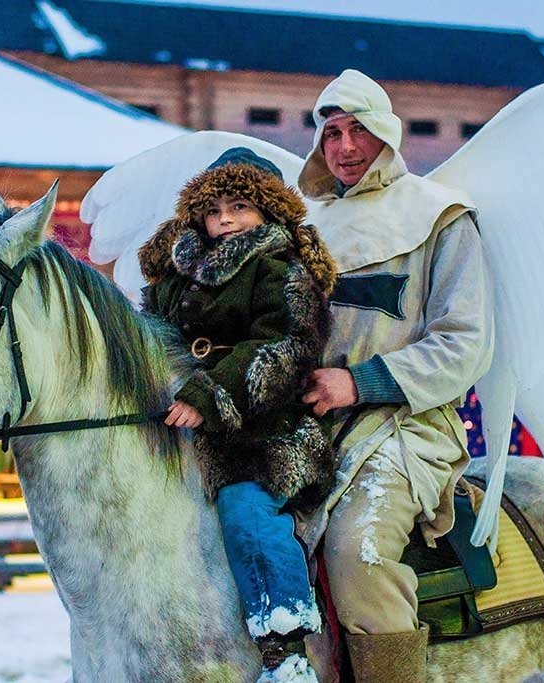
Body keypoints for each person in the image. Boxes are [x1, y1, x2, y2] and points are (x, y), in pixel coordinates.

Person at [297, 69, 494, 683]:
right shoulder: (301, 225)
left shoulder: (442, 219)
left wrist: (358, 384)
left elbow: (467, 342)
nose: (345, 147)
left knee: (358, 550)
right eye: (332, 133)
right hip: (304, 424)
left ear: (386, 134)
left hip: (406, 427)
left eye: (359, 130)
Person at [137, 147, 337, 679]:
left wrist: (207, 396)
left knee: (247, 511)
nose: (224, 218)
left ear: (270, 212)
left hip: (266, 433)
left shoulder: (282, 270)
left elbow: (283, 346)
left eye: (240, 206)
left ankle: (287, 649)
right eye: (213, 208)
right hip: (178, 423)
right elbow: (149, 337)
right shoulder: (177, 274)